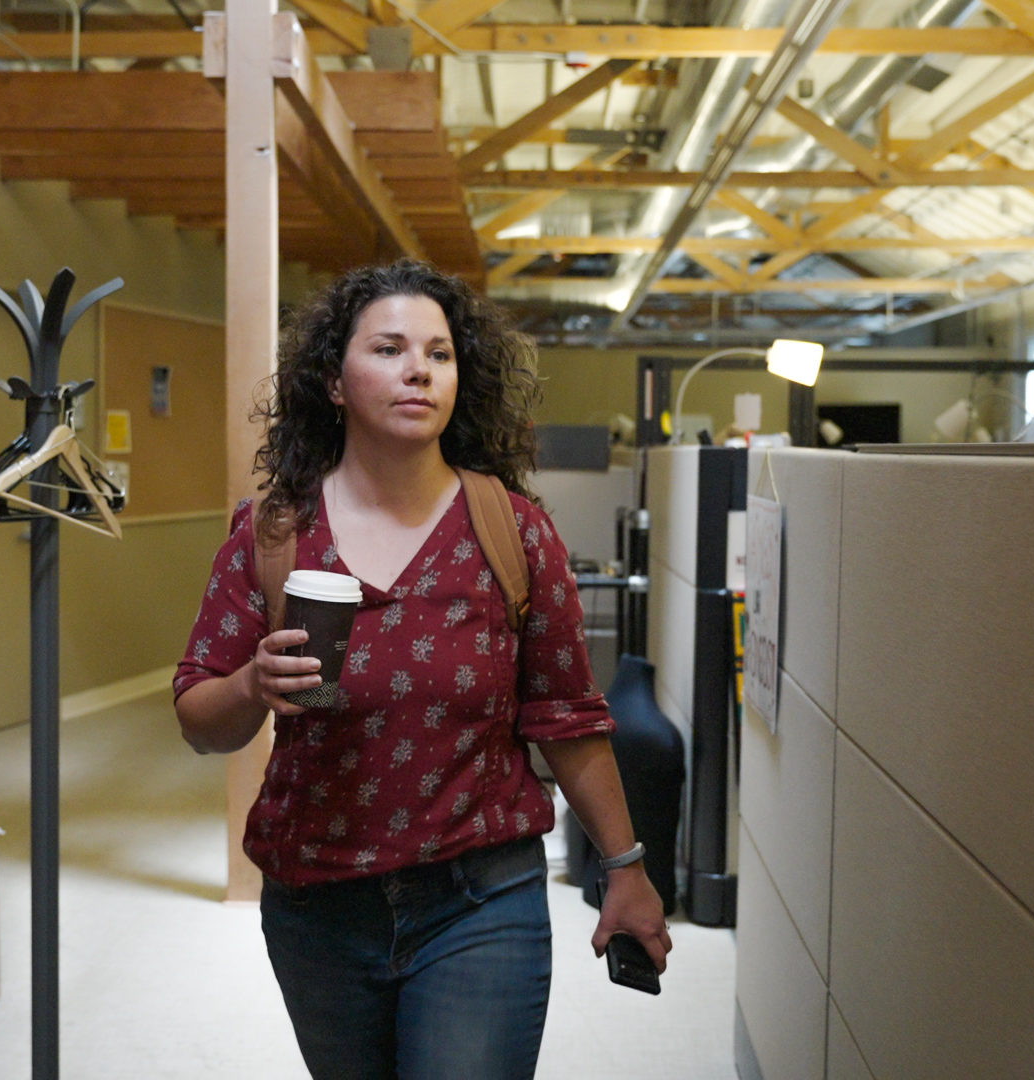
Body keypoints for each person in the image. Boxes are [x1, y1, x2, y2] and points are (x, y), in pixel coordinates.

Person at [173, 260, 668, 1080]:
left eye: (439, 354)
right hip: (318, 901)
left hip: (481, 895)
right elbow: (198, 718)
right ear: (333, 381)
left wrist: (627, 870)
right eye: (391, 349)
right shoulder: (277, 533)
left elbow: (568, 719)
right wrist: (253, 686)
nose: (418, 370)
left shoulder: (513, 531)